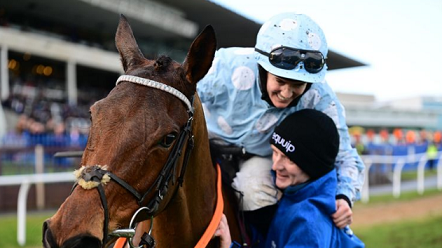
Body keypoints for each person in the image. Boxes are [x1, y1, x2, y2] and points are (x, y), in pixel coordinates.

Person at [197, 12, 364, 229]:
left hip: (261, 156)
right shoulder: (224, 66)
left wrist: (344, 196)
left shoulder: (321, 96)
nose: (286, 93)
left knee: (258, 193)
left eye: (298, 84)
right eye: (281, 81)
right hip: (205, 141)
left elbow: (346, 156)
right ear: (263, 67)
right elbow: (182, 99)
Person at [215, 109, 365, 247]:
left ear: (312, 166)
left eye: (289, 159)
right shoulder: (295, 193)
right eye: (275, 152)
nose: (275, 166)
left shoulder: (308, 223)